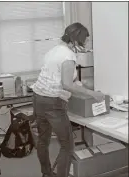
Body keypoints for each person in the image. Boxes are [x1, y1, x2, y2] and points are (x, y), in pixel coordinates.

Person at [31, 22, 105, 177]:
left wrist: (80, 85)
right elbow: (66, 84)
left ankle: (46, 173)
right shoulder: (68, 56)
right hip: (53, 103)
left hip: (39, 98)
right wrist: (92, 94)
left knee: (43, 140)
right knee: (68, 145)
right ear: (75, 40)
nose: (85, 44)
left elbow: (59, 77)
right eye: (84, 40)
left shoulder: (54, 50)